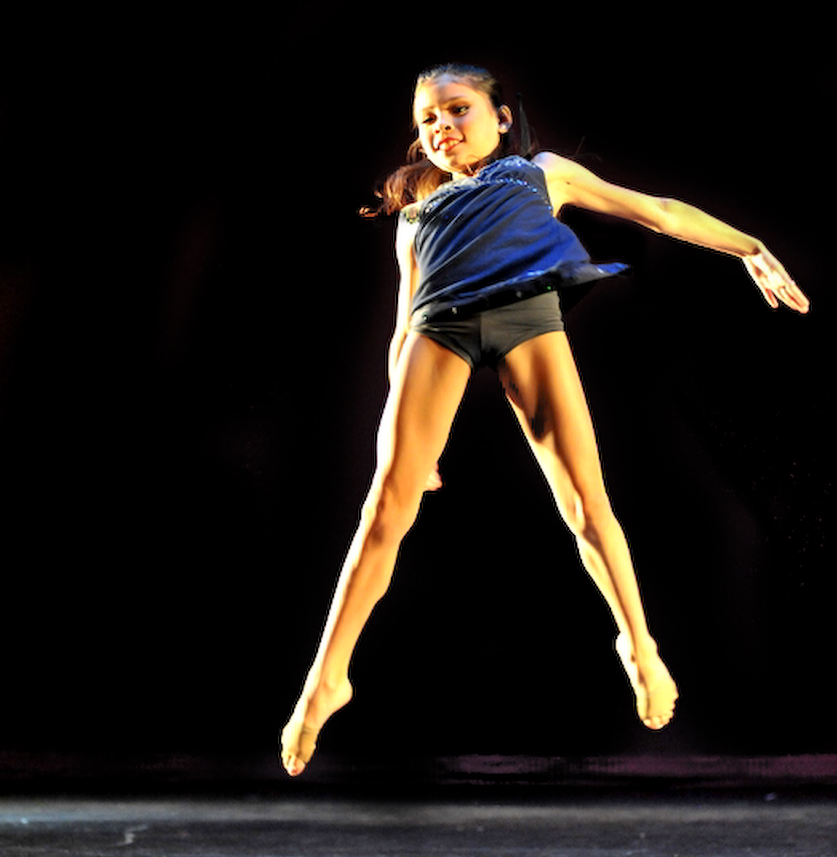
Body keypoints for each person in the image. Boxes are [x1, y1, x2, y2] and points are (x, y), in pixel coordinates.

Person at [280, 63, 809, 776]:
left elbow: (657, 210)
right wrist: (396, 425)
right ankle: (325, 678)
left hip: (527, 321)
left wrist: (747, 245)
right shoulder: (414, 218)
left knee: (583, 502)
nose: (440, 127)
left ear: (501, 117)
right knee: (384, 507)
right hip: (439, 335)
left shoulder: (541, 172)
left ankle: (636, 643)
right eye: (426, 120)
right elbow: (404, 326)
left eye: (456, 109)